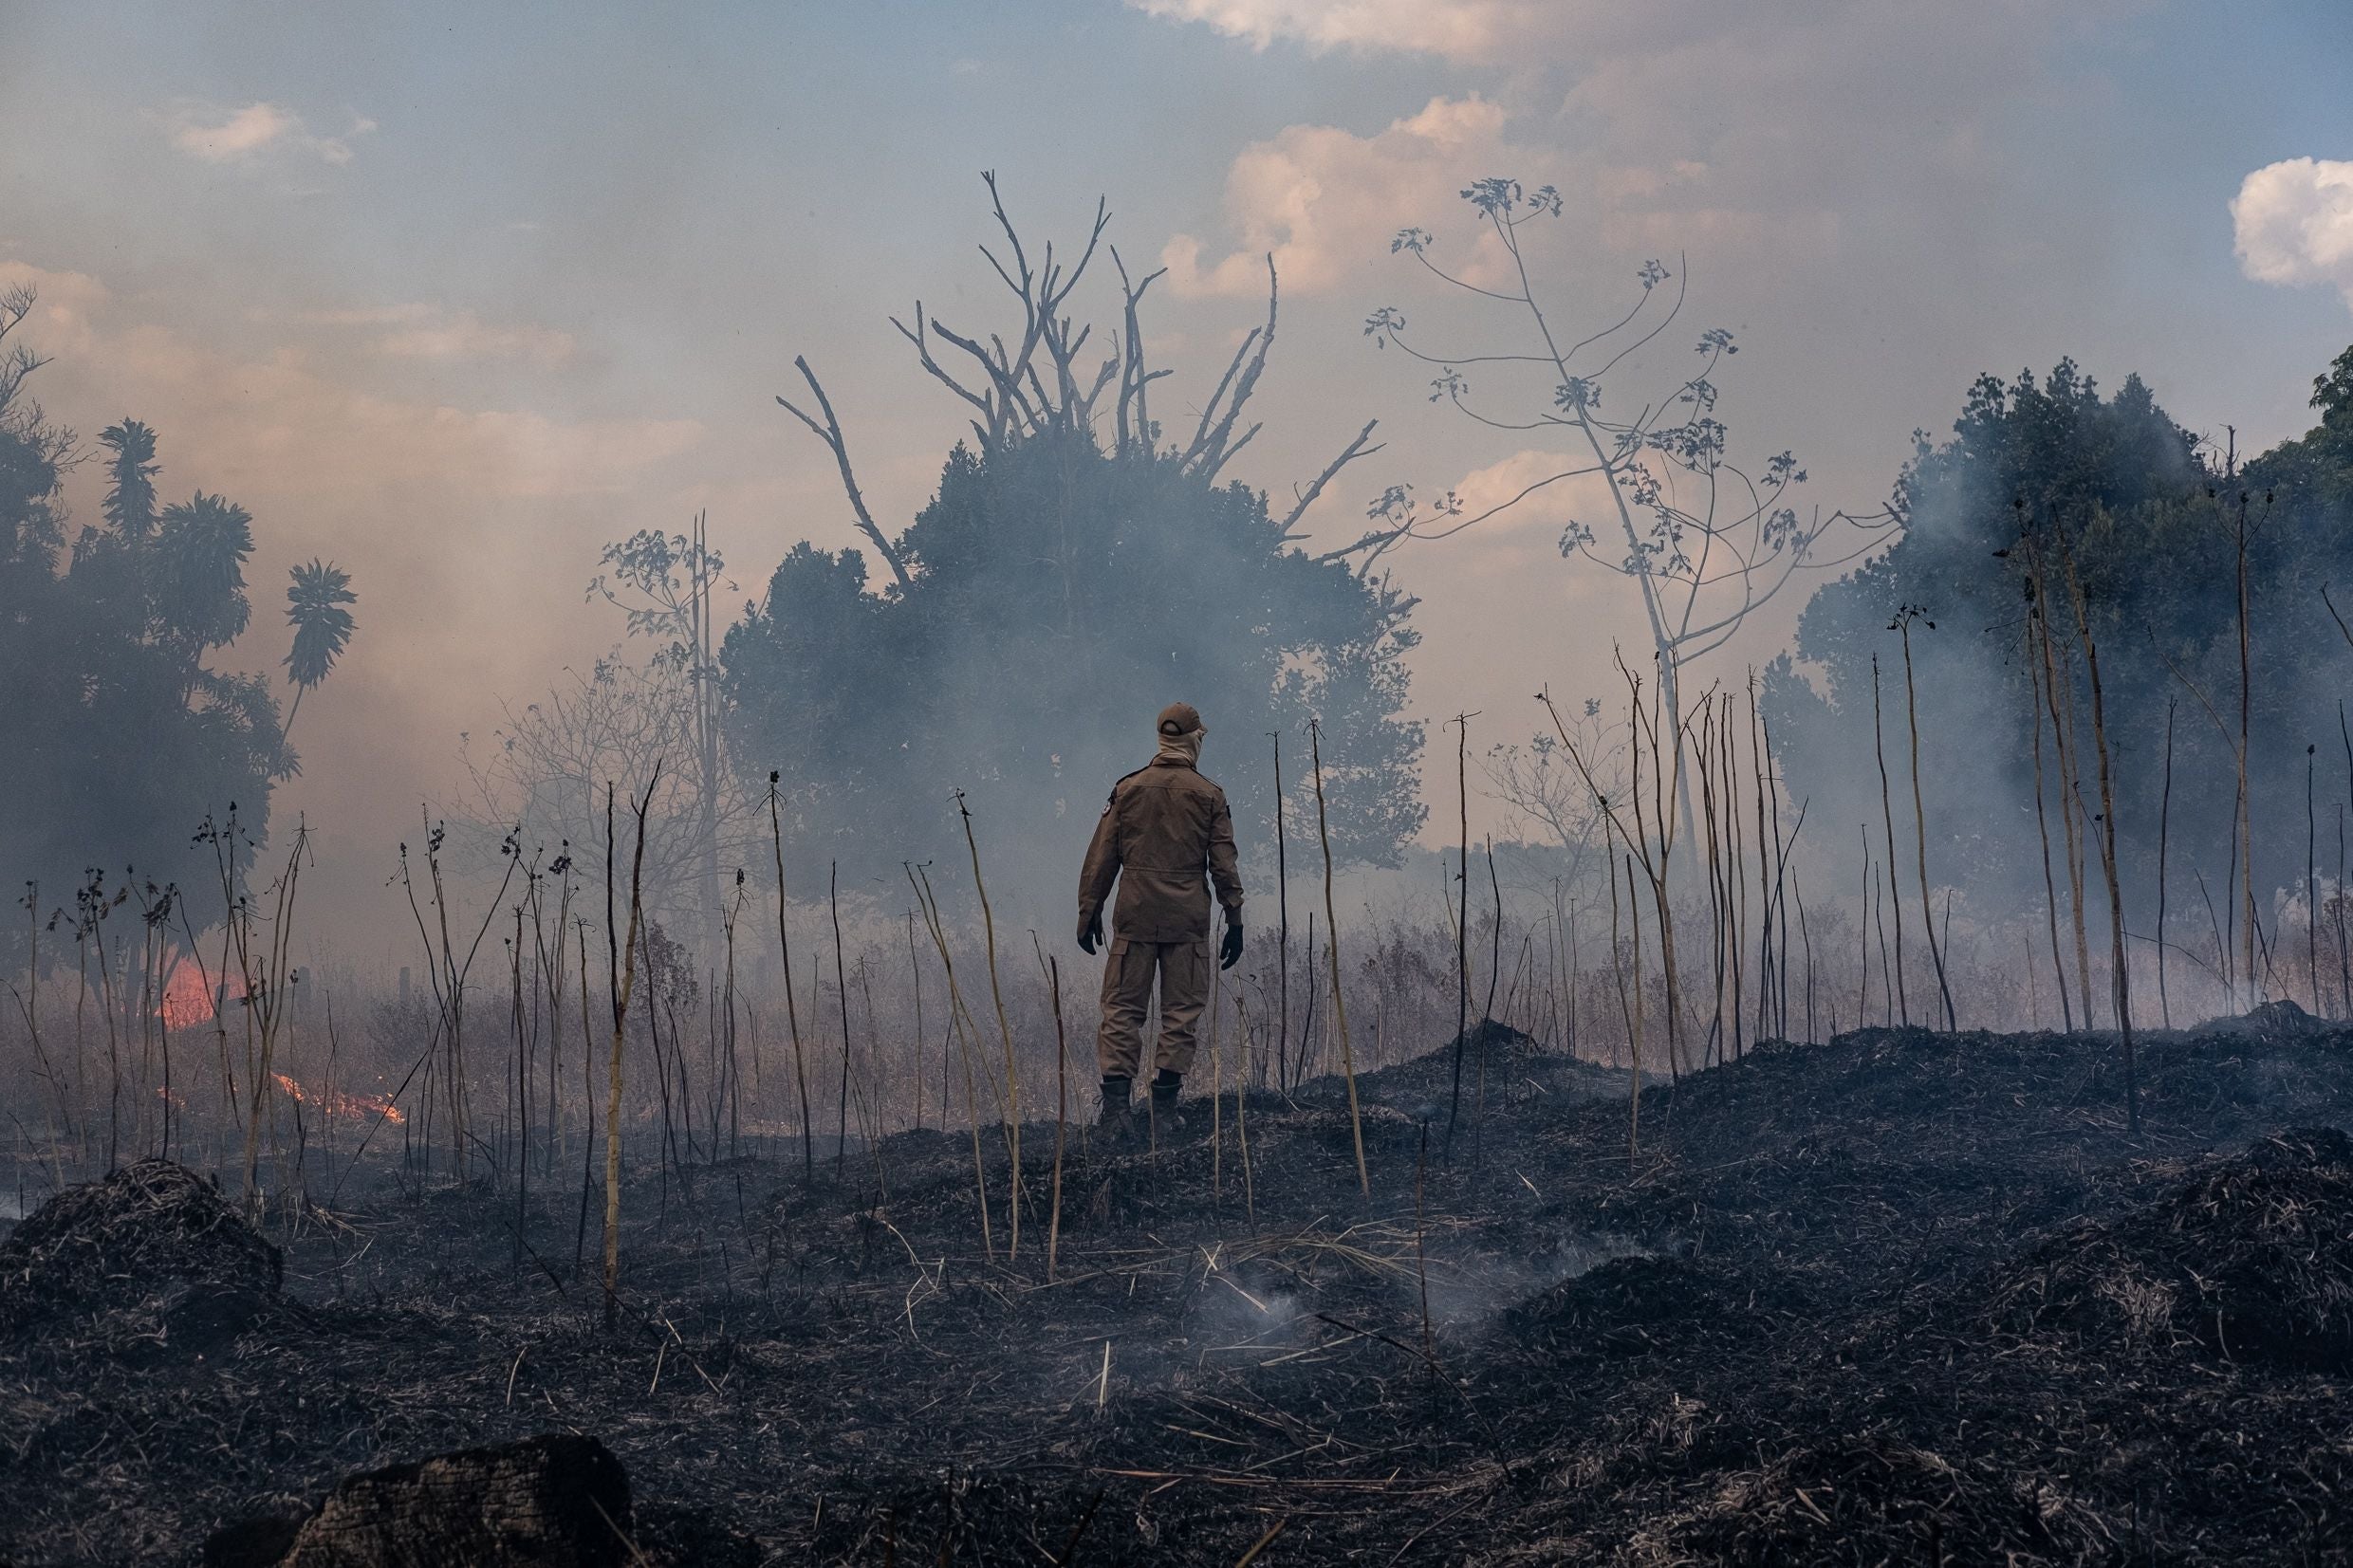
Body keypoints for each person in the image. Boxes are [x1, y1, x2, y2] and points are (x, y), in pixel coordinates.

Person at [1077, 702, 1245, 1136]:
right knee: (1181, 1012)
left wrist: (1089, 910)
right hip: (1186, 921)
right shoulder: (1210, 795)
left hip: (1133, 917)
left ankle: (1115, 1115)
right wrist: (1235, 918)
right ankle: (1163, 1112)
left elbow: (1101, 858)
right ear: (1194, 739)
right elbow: (1223, 865)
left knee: (1121, 1010)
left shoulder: (1128, 789)